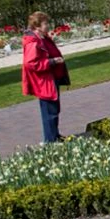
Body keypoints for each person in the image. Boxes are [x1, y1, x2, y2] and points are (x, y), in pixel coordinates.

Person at [21, 11, 69, 143]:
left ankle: (55, 135)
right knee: (49, 112)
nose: (47, 25)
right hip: (44, 81)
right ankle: (50, 140)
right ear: (37, 26)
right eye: (45, 23)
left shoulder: (42, 38)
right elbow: (31, 63)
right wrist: (52, 62)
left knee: (54, 109)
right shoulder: (33, 42)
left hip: (52, 78)